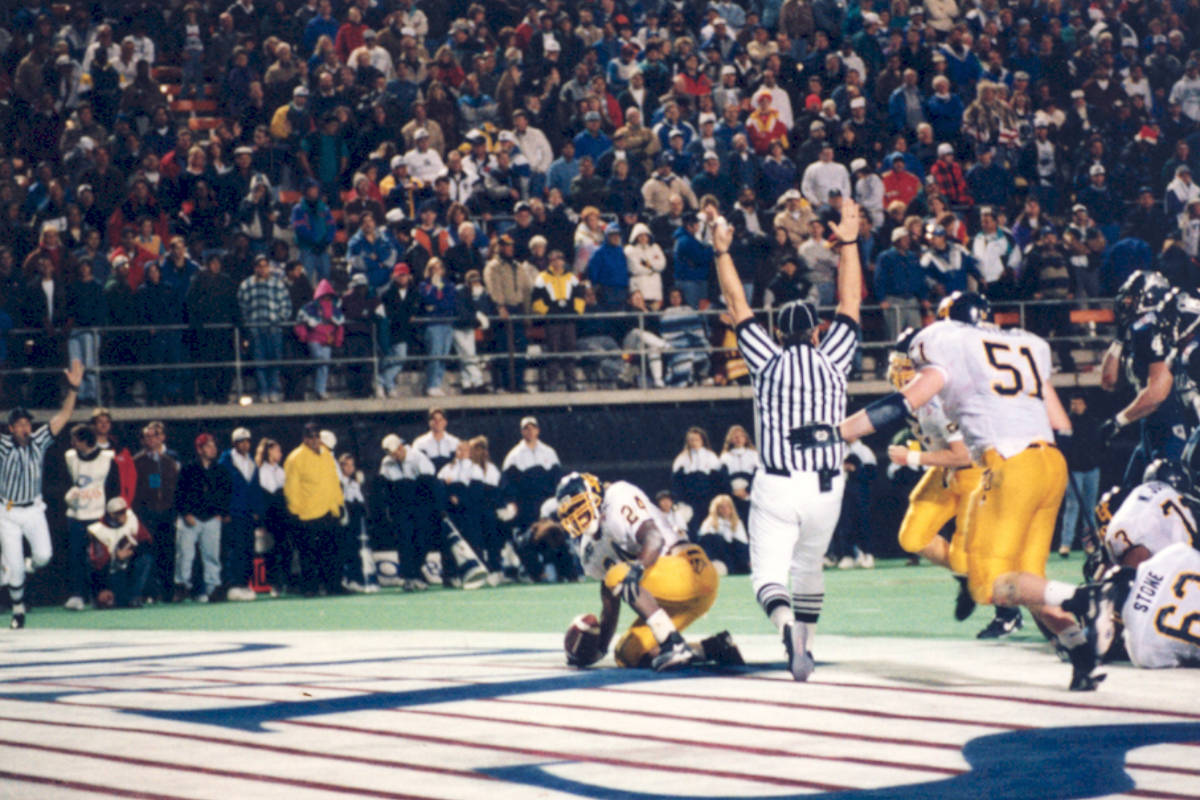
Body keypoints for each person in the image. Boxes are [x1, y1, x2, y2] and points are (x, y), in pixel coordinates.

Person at [840, 292, 1102, 691]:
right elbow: (1061, 423)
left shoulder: (952, 346)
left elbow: (900, 405)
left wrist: (836, 433)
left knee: (986, 585)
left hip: (1007, 467)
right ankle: (1080, 651)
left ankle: (1082, 598)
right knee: (1026, 580)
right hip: (1050, 464)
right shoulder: (1024, 343)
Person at [711, 202, 863, 681]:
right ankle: (808, 645)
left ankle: (785, 627)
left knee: (768, 577)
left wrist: (722, 253)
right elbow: (851, 303)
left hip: (777, 483)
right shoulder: (835, 355)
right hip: (826, 486)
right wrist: (851, 244)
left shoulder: (768, 362)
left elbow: (737, 305)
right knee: (809, 568)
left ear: (778, 333)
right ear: (817, 332)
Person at [883, 326, 1020, 637]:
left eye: (907, 367)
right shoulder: (918, 395)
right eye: (897, 365)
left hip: (976, 468)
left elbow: (962, 455)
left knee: (971, 554)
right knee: (912, 538)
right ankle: (965, 576)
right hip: (946, 468)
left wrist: (913, 458)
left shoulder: (946, 395)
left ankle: (1008, 610)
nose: (900, 374)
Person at [554, 471, 743, 671]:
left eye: (578, 505)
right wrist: (599, 649)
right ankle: (714, 648)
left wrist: (638, 567)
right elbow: (610, 601)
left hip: (690, 570)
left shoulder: (617, 497)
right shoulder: (589, 549)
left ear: (594, 495)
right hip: (672, 597)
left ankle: (673, 642)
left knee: (617, 574)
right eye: (569, 512)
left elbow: (654, 537)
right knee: (627, 654)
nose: (575, 515)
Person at [1, 360, 83, 628]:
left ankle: (25, 567)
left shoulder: (38, 441)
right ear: (11, 428)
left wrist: (73, 389)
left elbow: (63, 417)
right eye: (19, 424)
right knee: (13, 567)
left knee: (43, 556)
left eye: (27, 423)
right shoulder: (3, 446)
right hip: (8, 511)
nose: (25, 428)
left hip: (34, 509)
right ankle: (18, 610)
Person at [1099, 272, 1188, 488]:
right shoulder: (1137, 330)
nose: (1126, 302)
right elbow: (1109, 381)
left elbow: (1157, 394)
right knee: (1132, 496)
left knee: (1165, 497)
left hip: (1173, 425)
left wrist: (1118, 421)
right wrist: (1119, 339)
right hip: (1150, 427)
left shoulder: (1154, 328)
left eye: (1132, 297)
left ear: (1150, 297)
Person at [63, 423, 121, 610]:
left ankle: (101, 594)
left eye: (75, 439)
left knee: (100, 558)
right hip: (76, 515)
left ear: (83, 440)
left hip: (98, 515)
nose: (72, 443)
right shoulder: (70, 457)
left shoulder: (107, 457)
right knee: (76, 556)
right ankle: (78, 595)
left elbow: (114, 486)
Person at [283, 422, 344, 596]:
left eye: (317, 436)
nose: (315, 440)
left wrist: (339, 503)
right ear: (304, 438)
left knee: (331, 553)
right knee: (309, 555)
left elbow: (333, 480)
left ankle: (334, 585)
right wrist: (294, 511)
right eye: (311, 436)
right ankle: (310, 587)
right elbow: (291, 487)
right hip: (307, 514)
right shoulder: (295, 457)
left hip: (328, 510)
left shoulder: (326, 455)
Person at [173, 432, 232, 603]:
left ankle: (213, 588)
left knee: (212, 555)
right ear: (199, 449)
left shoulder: (220, 470)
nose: (213, 449)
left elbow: (226, 493)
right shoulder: (188, 469)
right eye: (208, 446)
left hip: (212, 519)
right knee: (185, 555)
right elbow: (179, 494)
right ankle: (182, 586)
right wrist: (185, 514)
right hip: (190, 519)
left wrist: (222, 514)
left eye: (214, 445)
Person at [86, 496, 153, 609]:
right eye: (120, 513)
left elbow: (147, 542)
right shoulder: (98, 530)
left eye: (124, 511)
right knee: (115, 602)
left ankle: (134, 597)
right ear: (111, 514)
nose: (124, 515)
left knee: (146, 559)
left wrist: (132, 551)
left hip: (129, 565)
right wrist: (115, 556)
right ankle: (103, 594)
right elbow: (98, 563)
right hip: (110, 570)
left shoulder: (132, 519)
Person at [218, 427, 260, 601]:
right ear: (235, 444)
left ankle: (244, 583)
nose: (245, 444)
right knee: (234, 550)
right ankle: (233, 585)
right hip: (232, 514)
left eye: (248, 441)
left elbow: (255, 488)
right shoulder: (225, 462)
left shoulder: (251, 462)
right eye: (241, 441)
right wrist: (224, 511)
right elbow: (220, 490)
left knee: (248, 548)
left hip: (248, 514)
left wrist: (258, 510)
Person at [1059, 394, 1103, 558]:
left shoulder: (1092, 422)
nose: (1075, 406)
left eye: (1078, 403)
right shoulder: (1066, 422)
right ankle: (1066, 544)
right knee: (1072, 506)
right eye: (1073, 403)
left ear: (1085, 404)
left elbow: (1099, 444)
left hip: (1091, 469)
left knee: (1090, 508)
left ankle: (1089, 543)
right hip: (1074, 471)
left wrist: (1096, 460)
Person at [670, 427, 723, 538]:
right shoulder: (682, 458)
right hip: (690, 498)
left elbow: (717, 479)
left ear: (702, 440)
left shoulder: (711, 456)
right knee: (692, 525)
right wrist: (679, 499)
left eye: (696, 439)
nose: (694, 442)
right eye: (691, 440)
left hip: (707, 497)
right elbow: (677, 481)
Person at [697, 494, 750, 575]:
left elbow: (743, 543)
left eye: (727, 507)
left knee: (739, 545)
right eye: (721, 507)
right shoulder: (709, 522)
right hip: (717, 553)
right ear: (716, 509)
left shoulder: (738, 522)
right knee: (714, 538)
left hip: (733, 553)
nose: (725, 510)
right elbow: (705, 540)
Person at [412, 408, 460, 474]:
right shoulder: (420, 443)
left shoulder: (455, 442)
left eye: (440, 420)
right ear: (429, 422)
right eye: (434, 420)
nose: (437, 423)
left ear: (445, 422)